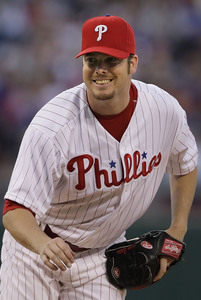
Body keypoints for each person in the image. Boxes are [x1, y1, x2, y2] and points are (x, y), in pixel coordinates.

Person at [0, 15, 198, 300]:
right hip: (35, 253)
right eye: (91, 61)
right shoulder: (52, 127)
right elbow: (15, 211)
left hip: (103, 256)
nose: (100, 70)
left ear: (132, 63)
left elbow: (185, 162)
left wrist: (178, 228)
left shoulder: (162, 109)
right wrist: (42, 244)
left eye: (111, 61)